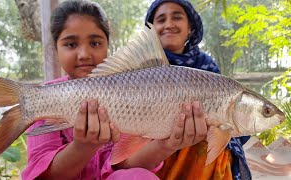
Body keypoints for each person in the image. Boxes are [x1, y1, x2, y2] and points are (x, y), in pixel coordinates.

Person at [21, 0, 209, 179]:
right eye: (71, 44)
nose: (84, 54)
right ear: (55, 49)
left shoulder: (130, 91)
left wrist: (167, 144)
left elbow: (125, 164)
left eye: (95, 43)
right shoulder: (45, 96)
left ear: (108, 45)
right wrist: (83, 147)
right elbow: (46, 176)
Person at [145, 0, 252, 179]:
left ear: (190, 28)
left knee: (215, 145)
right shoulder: (138, 67)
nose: (169, 25)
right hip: (149, 144)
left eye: (177, 17)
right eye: (161, 20)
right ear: (151, 29)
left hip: (194, 147)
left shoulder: (206, 65)